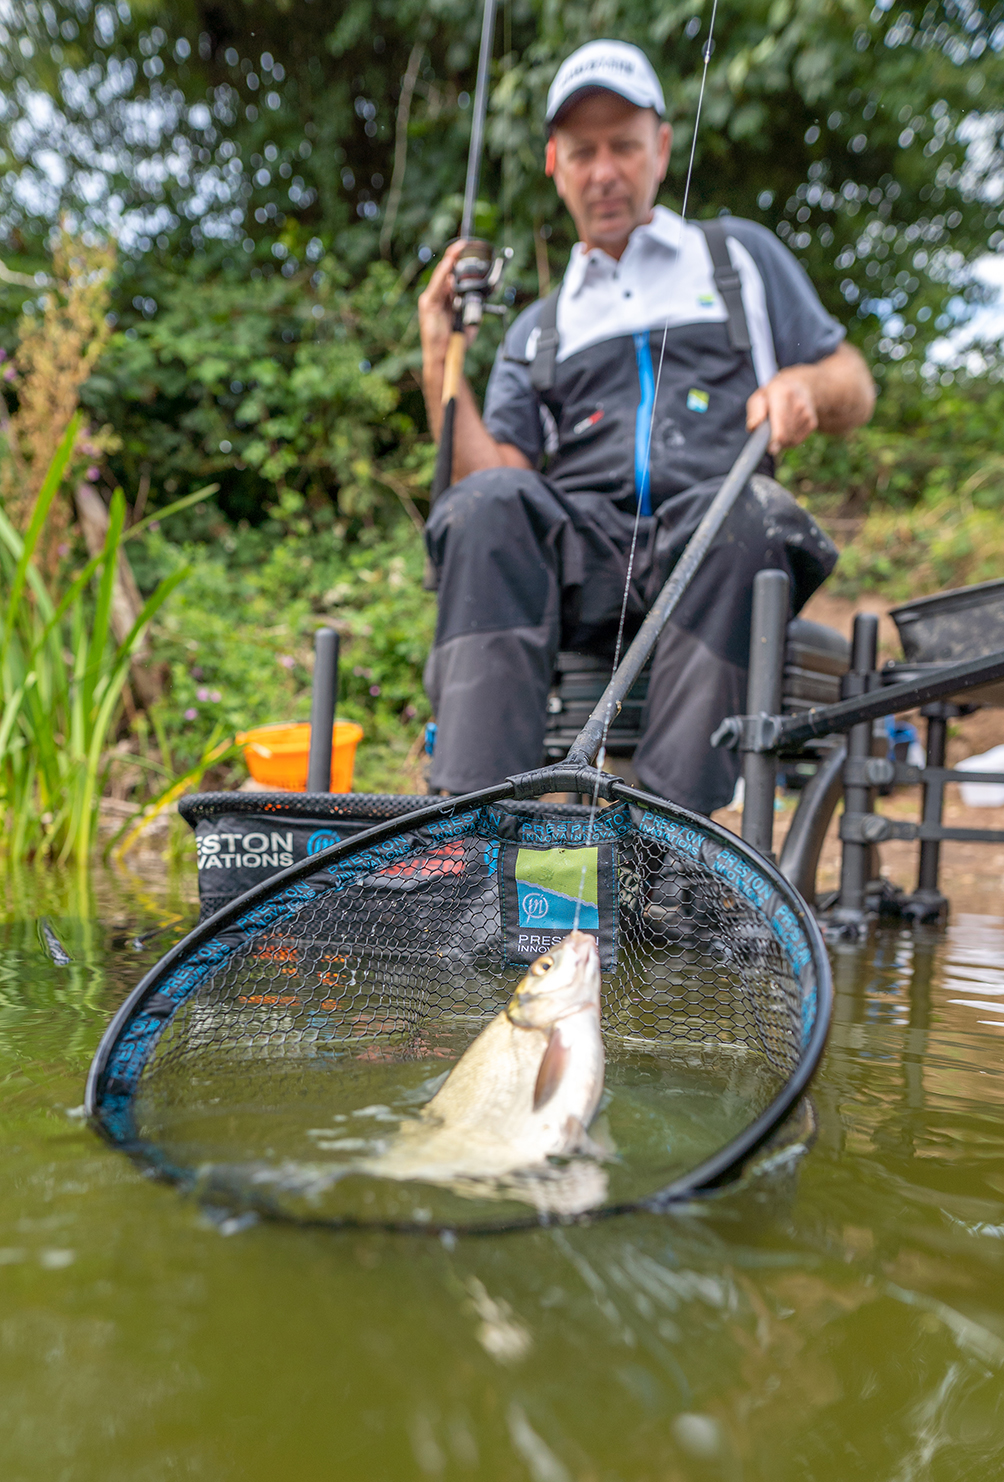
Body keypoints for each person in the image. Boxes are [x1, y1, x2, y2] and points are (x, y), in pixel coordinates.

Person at [418, 39, 875, 813]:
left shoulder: (739, 260)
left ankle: (673, 850)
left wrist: (804, 386)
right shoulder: (538, 326)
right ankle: (472, 832)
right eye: (583, 151)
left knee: (747, 511)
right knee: (488, 504)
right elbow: (493, 482)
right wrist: (439, 364)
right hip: (581, 567)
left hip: (716, 555)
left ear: (661, 151)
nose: (604, 171)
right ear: (554, 164)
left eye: (624, 146)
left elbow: (854, 386)